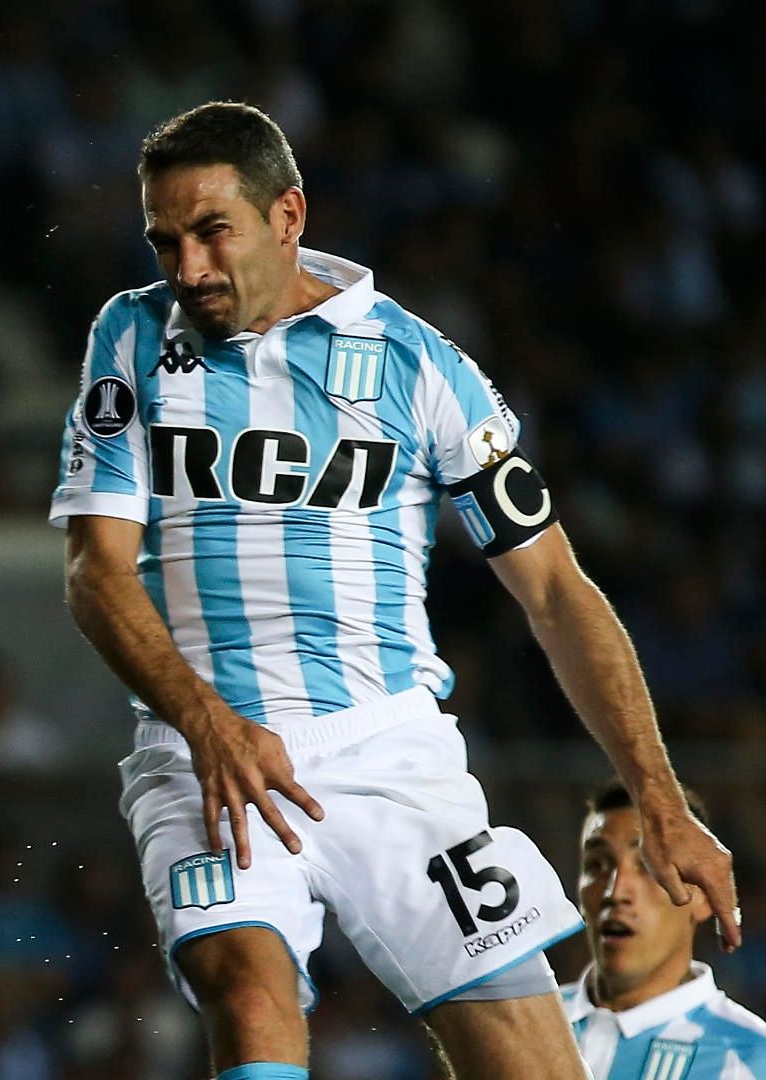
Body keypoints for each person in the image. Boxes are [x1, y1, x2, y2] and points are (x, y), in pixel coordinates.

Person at [51, 101, 739, 1080]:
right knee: (246, 992)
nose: (189, 267)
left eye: (212, 232)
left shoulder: (420, 365)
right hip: (204, 750)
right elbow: (96, 572)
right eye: (166, 242)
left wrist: (660, 797)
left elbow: (554, 590)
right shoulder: (130, 335)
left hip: (390, 752)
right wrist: (206, 723)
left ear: (288, 216)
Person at [563, 781, 766, 1079]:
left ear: (703, 895)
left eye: (649, 867)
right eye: (597, 865)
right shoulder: (522, 1022)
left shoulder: (750, 1058)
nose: (615, 892)